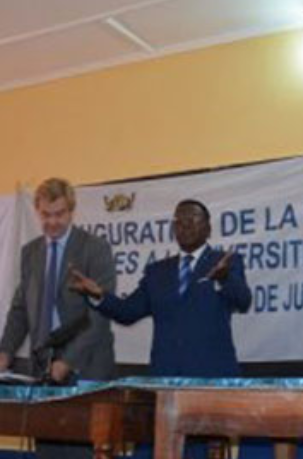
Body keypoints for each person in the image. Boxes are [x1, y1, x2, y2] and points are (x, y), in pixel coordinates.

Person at [71, 199, 252, 457]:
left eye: (193, 220)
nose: (185, 226)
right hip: (163, 385)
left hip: (210, 383)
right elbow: (128, 312)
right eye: (179, 221)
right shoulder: (158, 271)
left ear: (208, 228)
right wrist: (99, 295)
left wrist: (223, 279)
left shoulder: (225, 263)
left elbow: (243, 301)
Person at [0, 177, 116, 459]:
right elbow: (20, 309)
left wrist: (68, 360)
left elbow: (99, 315)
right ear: (38, 211)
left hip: (86, 366)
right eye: (46, 215)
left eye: (59, 214)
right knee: (48, 449)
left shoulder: (95, 248)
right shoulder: (31, 252)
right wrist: (5, 351)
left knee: (79, 450)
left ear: (72, 211)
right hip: (42, 369)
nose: (52, 222)